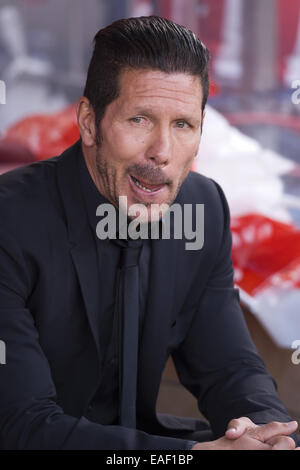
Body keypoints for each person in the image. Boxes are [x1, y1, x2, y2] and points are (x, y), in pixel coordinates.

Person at [0, 15, 298, 451]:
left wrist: (265, 432)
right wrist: (187, 458)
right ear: (89, 122)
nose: (162, 152)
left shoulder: (203, 208)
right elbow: (21, 426)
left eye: (183, 124)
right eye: (139, 120)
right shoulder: (10, 221)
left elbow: (229, 366)